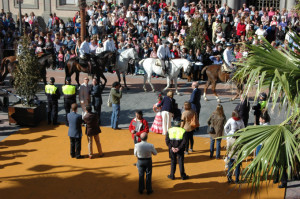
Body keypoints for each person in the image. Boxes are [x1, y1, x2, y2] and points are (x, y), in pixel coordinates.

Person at [224, 111, 245, 184]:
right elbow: (243, 128)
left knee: (230, 166)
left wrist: (228, 133)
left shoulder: (230, 140)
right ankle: (237, 179)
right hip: (238, 155)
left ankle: (229, 178)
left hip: (231, 155)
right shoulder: (241, 120)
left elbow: (225, 127)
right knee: (237, 167)